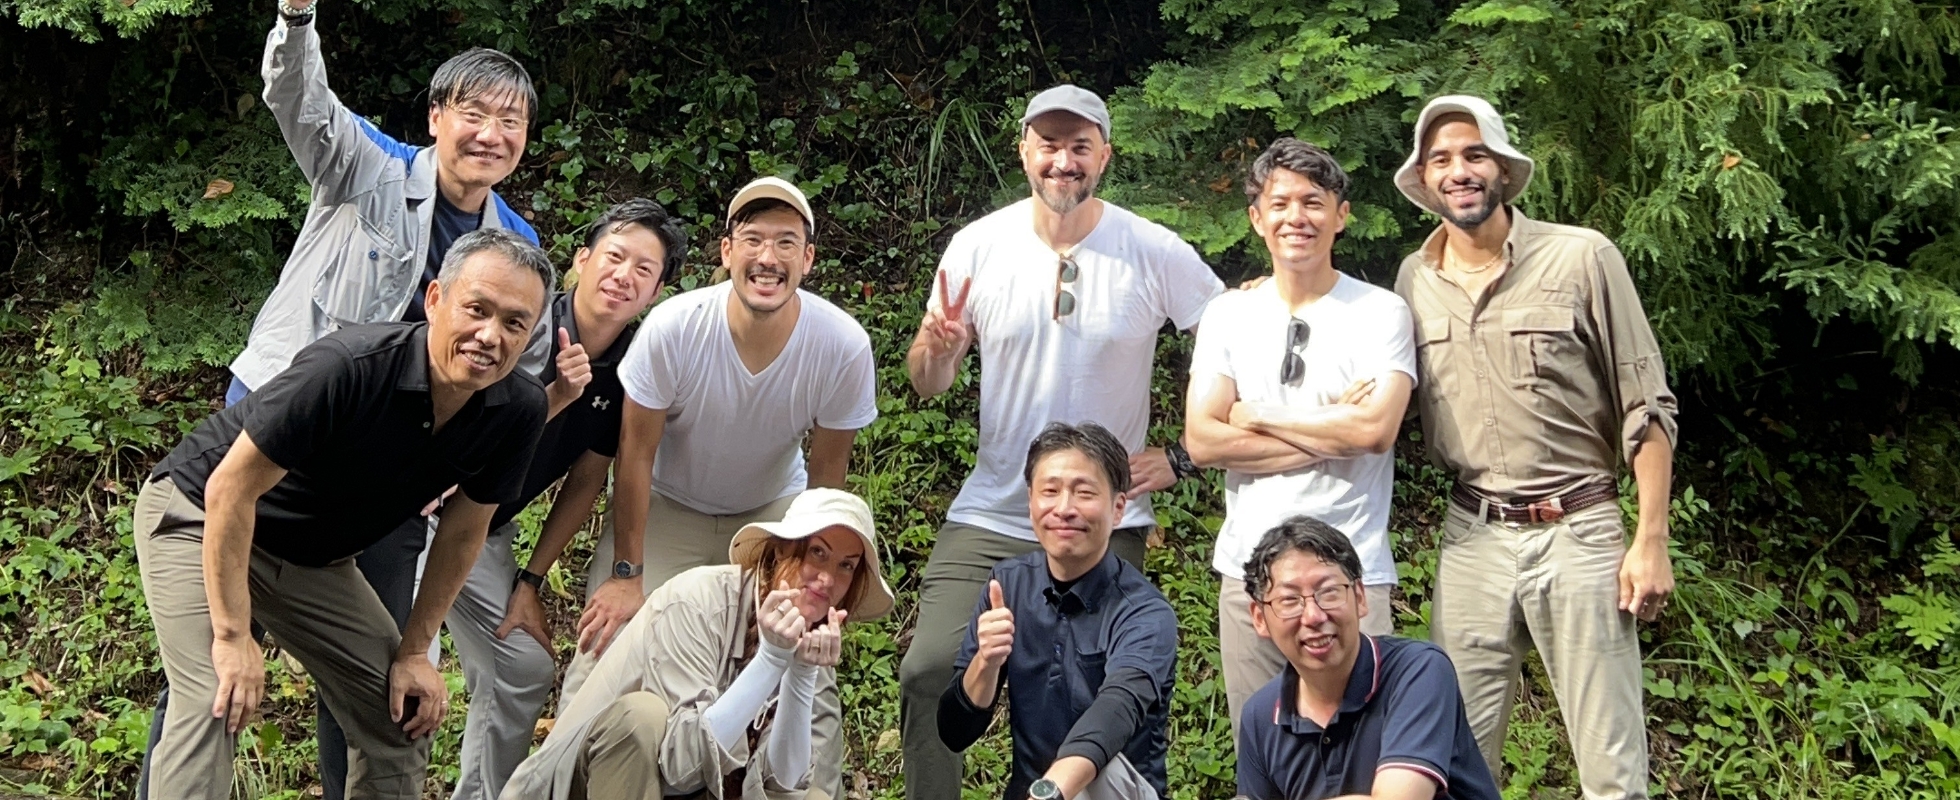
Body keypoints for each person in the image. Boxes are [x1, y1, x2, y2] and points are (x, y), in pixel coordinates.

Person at [133, 229, 552, 800]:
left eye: (513, 323)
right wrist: (233, 636)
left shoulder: (517, 410)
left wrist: (414, 650)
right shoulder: (350, 366)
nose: (489, 336)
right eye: (476, 310)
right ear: (434, 300)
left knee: (401, 714)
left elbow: (461, 534)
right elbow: (230, 490)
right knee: (217, 696)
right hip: (198, 514)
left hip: (314, 558)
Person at [899, 84, 1224, 799]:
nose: (1063, 162)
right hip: (995, 508)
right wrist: (938, 348)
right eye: (1049, 144)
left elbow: (1234, 342)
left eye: (1080, 146)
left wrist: (1183, 456)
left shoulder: (1152, 250)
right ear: (1024, 150)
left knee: (1096, 699)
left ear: (1104, 154)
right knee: (928, 670)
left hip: (1103, 516)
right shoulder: (978, 245)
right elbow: (926, 383)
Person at [1392, 94, 1678, 798]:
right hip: (1471, 538)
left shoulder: (1582, 257)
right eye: (1442, 160)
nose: (1459, 171)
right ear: (1425, 180)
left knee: (1611, 766)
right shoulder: (1412, 281)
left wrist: (1651, 537)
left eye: (1474, 155)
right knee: (1454, 757)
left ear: (1503, 170)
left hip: (1579, 532)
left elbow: (1649, 403)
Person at [563, 176, 879, 698]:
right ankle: (561, 775)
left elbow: (826, 482)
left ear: (809, 259)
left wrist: (811, 575)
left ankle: (782, 780)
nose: (768, 258)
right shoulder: (675, 327)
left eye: (786, 243)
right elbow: (635, 456)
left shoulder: (842, 344)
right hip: (668, 504)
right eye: (753, 239)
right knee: (605, 652)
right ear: (728, 251)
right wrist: (626, 572)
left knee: (794, 658)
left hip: (772, 513)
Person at [444, 199, 685, 800]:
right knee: (396, 674)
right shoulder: (521, 325)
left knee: (523, 668)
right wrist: (554, 393)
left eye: (644, 270)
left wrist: (530, 580)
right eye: (614, 255)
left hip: (485, 530)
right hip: (416, 515)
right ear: (582, 259)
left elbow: (587, 480)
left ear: (654, 292)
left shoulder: (633, 365)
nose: (623, 275)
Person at [1182, 138, 1417, 734]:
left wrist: (1258, 414)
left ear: (1341, 215)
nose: (1297, 217)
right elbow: (1204, 441)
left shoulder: (1381, 312)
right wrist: (1329, 427)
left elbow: (1374, 429)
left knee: (1360, 755)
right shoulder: (1227, 315)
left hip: (1352, 573)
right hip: (1250, 578)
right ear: (1257, 219)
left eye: (1314, 201)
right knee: (1263, 752)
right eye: (1279, 202)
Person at [500, 487, 895, 800]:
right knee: (642, 717)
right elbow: (682, 765)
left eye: (846, 565)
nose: (827, 579)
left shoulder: (812, 641)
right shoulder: (698, 599)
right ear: (780, 553)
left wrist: (802, 674)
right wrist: (772, 659)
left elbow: (783, 787)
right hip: (589, 785)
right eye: (818, 554)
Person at [938, 422, 1178, 800]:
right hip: (1034, 791)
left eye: (1084, 493)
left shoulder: (1145, 612)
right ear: (1031, 500)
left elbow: (1115, 711)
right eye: (1049, 492)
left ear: (1118, 509)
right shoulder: (1008, 585)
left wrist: (1050, 791)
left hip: (1111, 791)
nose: (1064, 509)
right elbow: (954, 732)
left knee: (1102, 771)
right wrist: (985, 661)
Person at [1233, 517, 1500, 800]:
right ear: (1260, 618)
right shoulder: (1261, 715)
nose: (1313, 616)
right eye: (1290, 600)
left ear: (1360, 597)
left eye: (1329, 592)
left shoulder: (1418, 671)